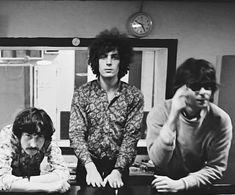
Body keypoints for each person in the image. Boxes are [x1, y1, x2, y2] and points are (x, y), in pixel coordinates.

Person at [69, 28, 144, 189]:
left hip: (118, 168)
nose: (108, 62)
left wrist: (118, 170)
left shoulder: (134, 95)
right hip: (88, 166)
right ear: (96, 61)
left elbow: (131, 137)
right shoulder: (82, 93)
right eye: (103, 57)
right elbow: (76, 133)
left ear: (122, 61)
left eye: (114, 57)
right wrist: (90, 167)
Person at [146, 58, 233, 192]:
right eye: (196, 87)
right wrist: (174, 115)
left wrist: (182, 184)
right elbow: (159, 161)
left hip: (197, 185)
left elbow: (216, 167)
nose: (203, 92)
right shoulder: (160, 112)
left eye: (208, 87)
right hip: (163, 183)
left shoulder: (220, 120)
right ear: (181, 89)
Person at [0, 107, 70, 193]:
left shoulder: (48, 139)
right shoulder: (8, 137)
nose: (33, 144)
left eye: (39, 137)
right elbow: (2, 180)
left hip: (29, 186)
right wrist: (48, 187)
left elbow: (63, 173)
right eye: (28, 136)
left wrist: (24, 182)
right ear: (18, 136)